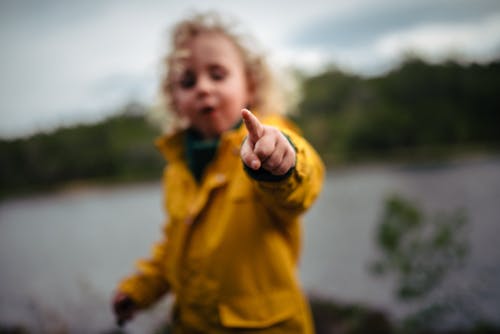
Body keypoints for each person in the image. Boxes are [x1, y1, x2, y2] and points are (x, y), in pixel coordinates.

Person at [112, 12, 325, 333]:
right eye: (187, 81)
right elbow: (174, 246)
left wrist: (283, 163)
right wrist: (140, 290)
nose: (202, 88)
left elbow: (301, 188)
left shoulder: (269, 137)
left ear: (250, 85)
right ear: (174, 100)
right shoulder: (178, 170)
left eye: (217, 74)